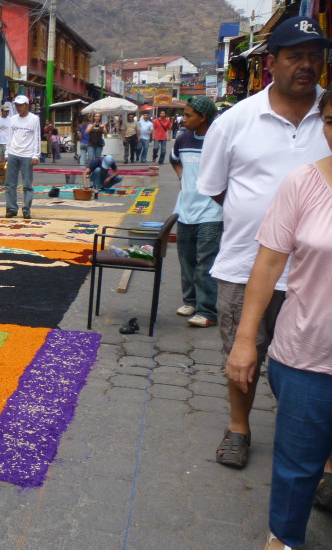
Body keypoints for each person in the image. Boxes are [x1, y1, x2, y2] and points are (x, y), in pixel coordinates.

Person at [196, 15, 332, 472]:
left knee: (320, 365)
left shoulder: (330, 116)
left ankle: (321, 448)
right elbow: (215, 188)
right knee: (243, 351)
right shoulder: (235, 121)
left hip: (318, 272)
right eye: (296, 56)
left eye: (315, 56)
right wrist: (258, 216)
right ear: (271, 62)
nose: (307, 65)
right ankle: (239, 428)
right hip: (245, 264)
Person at [224, 87, 332, 550]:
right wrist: (245, 339)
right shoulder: (303, 183)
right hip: (308, 352)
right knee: (296, 464)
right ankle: (284, 539)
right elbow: (267, 265)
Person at [169, 96, 222, 329]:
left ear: (203, 117)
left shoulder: (219, 141)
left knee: (205, 263)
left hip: (212, 213)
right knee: (187, 260)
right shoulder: (182, 138)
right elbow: (174, 160)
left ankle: (206, 310)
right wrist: (182, 177)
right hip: (185, 210)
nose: (184, 119)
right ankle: (190, 302)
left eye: (189, 115)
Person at [4, 95, 41, 219]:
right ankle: (12, 208)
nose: (18, 107)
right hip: (13, 153)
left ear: (27, 105)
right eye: (17, 105)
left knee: (27, 184)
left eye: (21, 105)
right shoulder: (13, 119)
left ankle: (26, 209)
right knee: (10, 183)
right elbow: (9, 137)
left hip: (27, 155)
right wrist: (6, 153)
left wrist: (36, 155)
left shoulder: (34, 119)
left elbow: (37, 137)